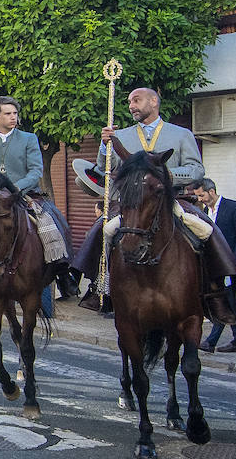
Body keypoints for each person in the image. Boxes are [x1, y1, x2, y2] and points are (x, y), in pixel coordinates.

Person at [72, 86, 207, 310]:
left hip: (170, 200)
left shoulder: (181, 134)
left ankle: (216, 291)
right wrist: (105, 145)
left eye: (136, 100)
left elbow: (197, 170)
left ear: (154, 102)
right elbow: (106, 166)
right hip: (132, 203)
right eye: (129, 102)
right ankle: (100, 287)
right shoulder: (121, 135)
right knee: (103, 229)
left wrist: (169, 176)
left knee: (207, 230)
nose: (131, 106)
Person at [0, 96, 77, 296]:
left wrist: (16, 189)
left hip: (26, 195)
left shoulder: (29, 139)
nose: (13, 117)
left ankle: (62, 273)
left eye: (15, 114)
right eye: (8, 114)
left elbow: (36, 171)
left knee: (52, 223)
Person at [196, 179, 236, 352]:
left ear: (211, 192)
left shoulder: (234, 208)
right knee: (230, 302)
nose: (200, 199)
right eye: (198, 196)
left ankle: (212, 342)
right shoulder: (204, 212)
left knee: (227, 300)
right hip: (214, 267)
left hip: (231, 265)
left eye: (202, 195)